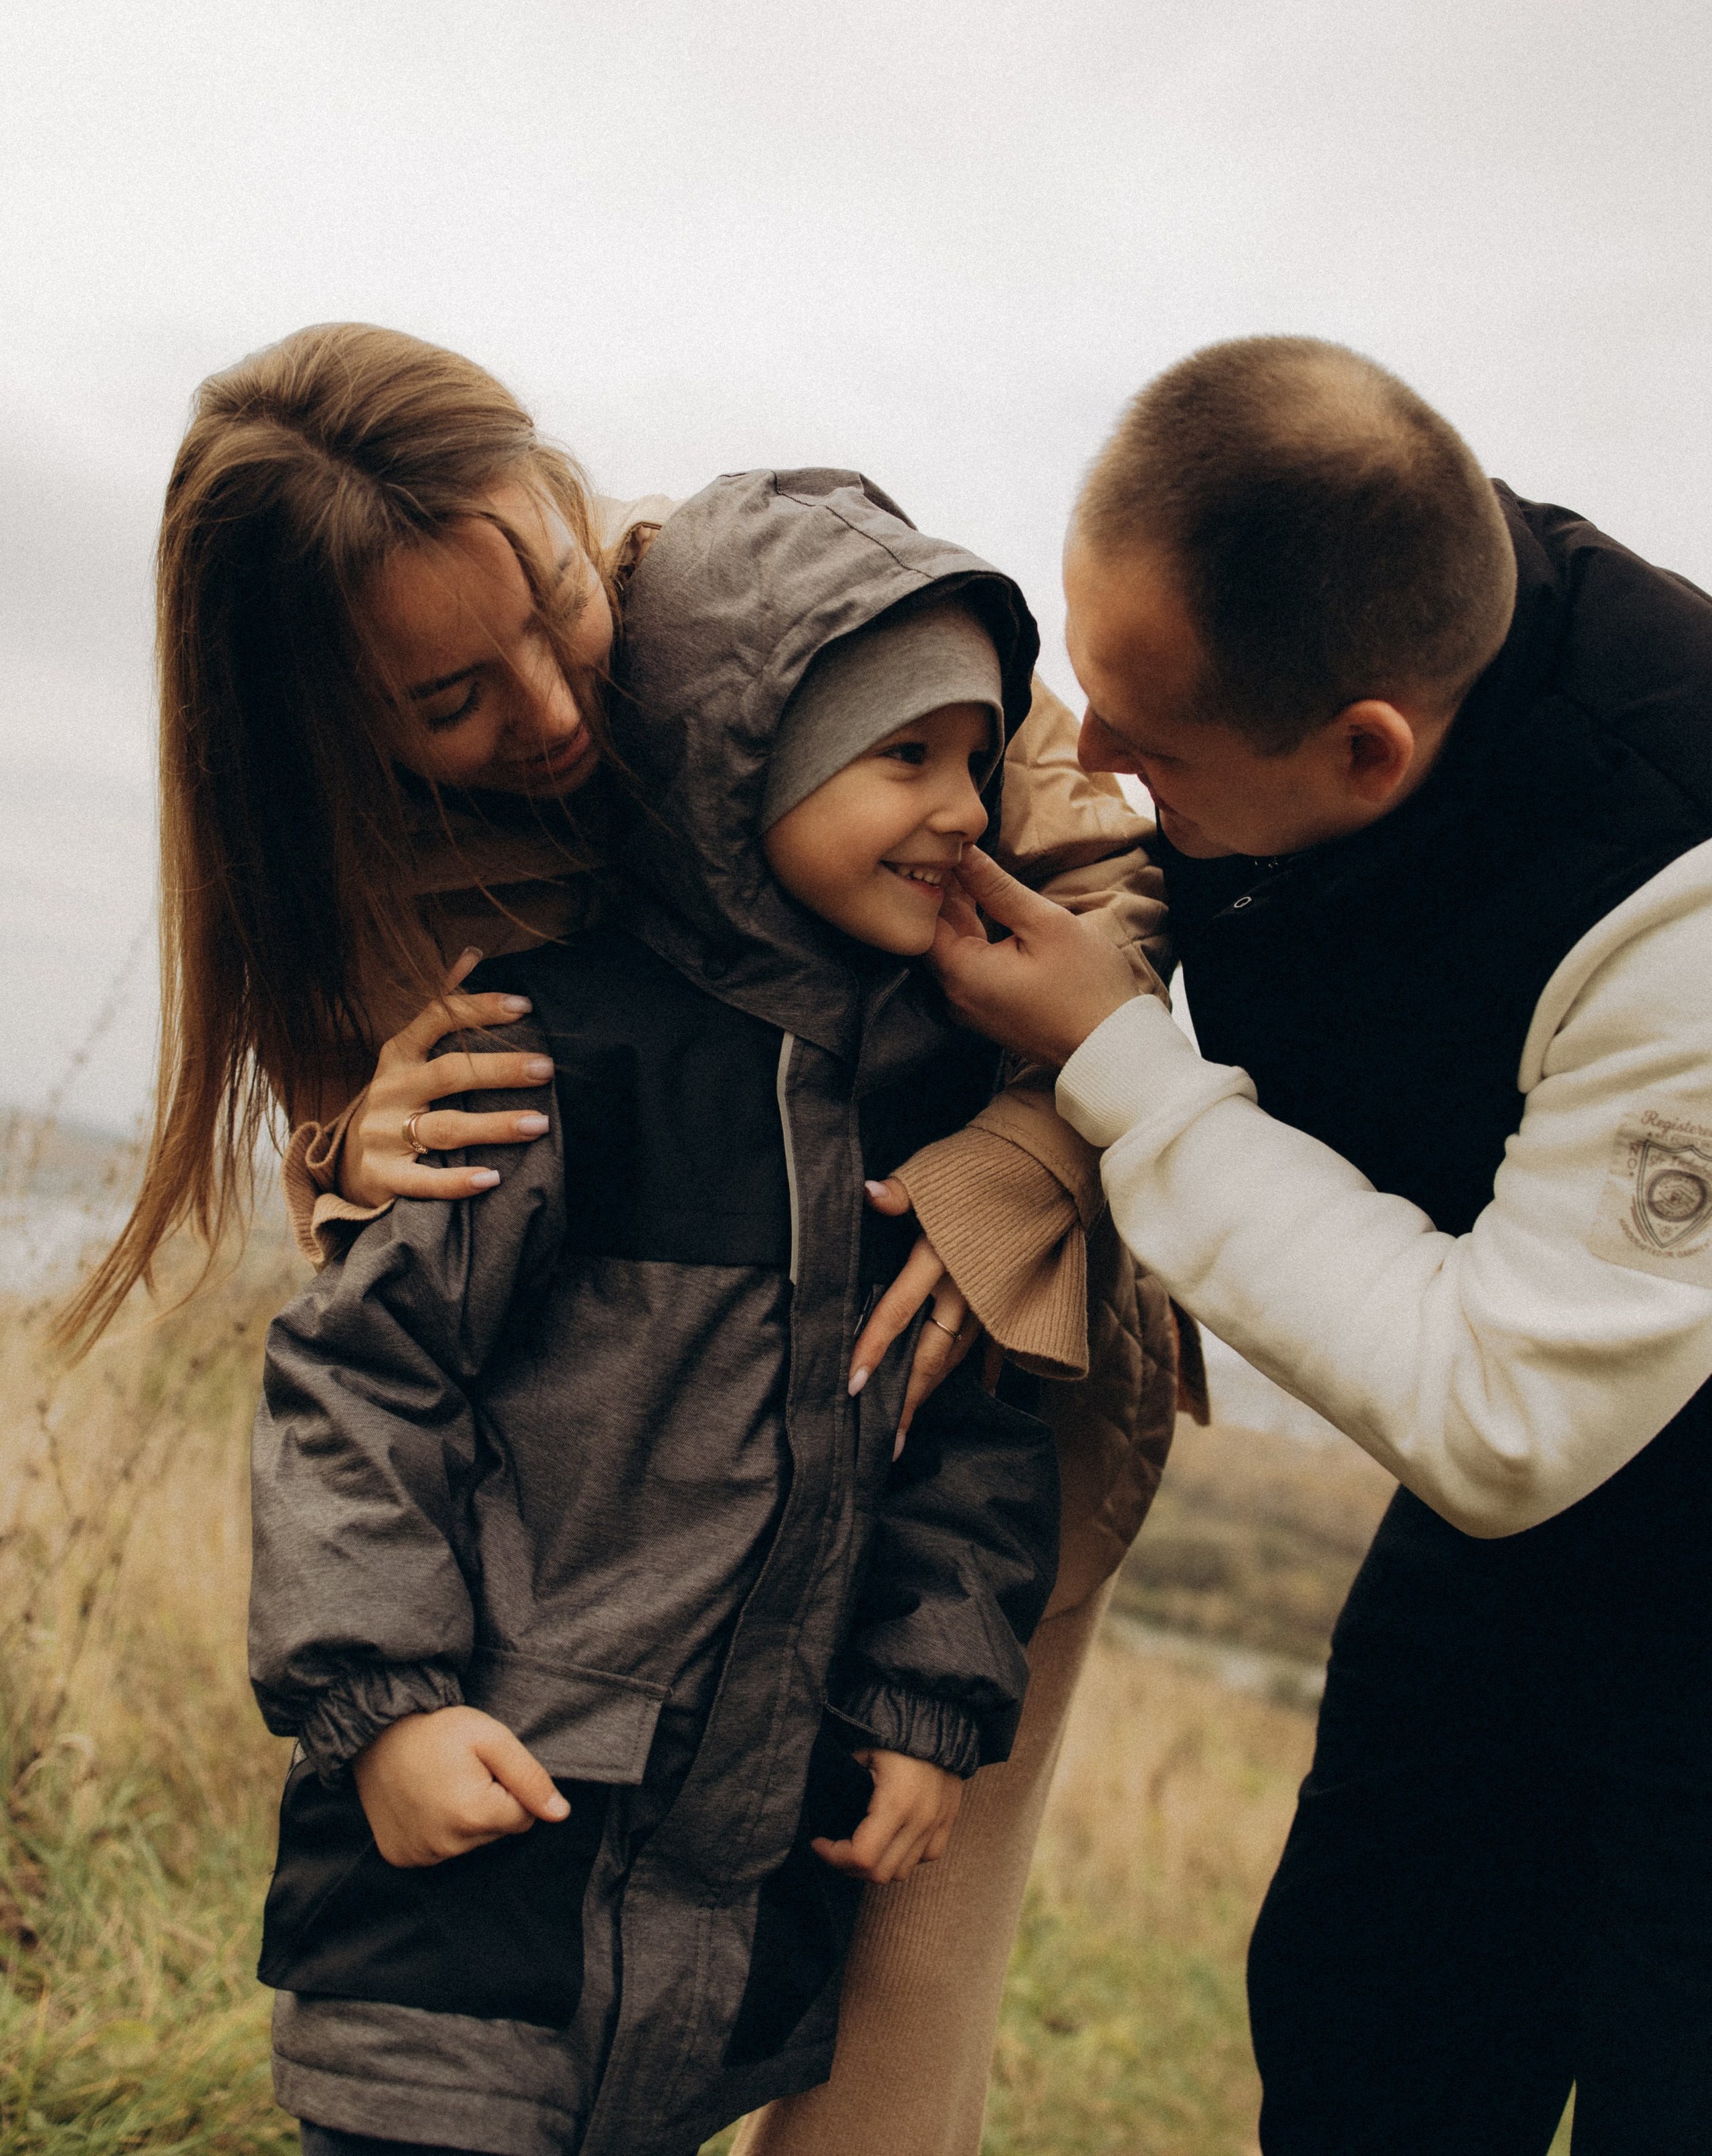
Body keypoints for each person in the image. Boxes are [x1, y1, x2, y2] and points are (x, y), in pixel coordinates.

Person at [67, 325, 1186, 2155]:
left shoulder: (810, 620)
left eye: (562, 595)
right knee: (549, 2011)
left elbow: (1123, 889)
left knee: (881, 2037)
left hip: (952, 1397)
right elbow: (400, 1247)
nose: (555, 708)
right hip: (621, 1490)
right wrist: (354, 1144)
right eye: (451, 703)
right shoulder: (355, 857)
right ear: (330, 726)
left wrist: (1017, 1163)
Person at [920, 333, 1712, 2154]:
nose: (1101, 766)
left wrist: (1118, 1063)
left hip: (1603, 1463)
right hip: (1516, 1556)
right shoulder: (1305, 622)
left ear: (1370, 749)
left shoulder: (1678, 878)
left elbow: (1500, 1404)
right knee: (1371, 2025)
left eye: (1153, 744)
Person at [248, 467, 1065, 2156]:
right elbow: (358, 1384)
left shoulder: (924, 1109)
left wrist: (923, 1703)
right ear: (736, 757)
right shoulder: (544, 1049)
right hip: (465, 1895)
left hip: (715, 1923)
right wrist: (380, 1708)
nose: (968, 806)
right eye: (902, 754)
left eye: (978, 759)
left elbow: (963, 1444)